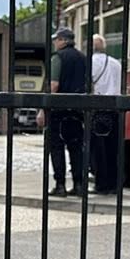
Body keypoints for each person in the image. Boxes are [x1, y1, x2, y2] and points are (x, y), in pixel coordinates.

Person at [44, 27, 89, 196]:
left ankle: (60, 184)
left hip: (59, 110)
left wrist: (44, 109)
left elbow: (54, 85)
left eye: (56, 39)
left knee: (56, 147)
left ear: (63, 40)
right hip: (77, 110)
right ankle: (79, 184)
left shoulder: (58, 58)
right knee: (76, 148)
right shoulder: (83, 58)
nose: (55, 43)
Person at [88, 33, 124, 195]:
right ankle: (115, 183)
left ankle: (101, 184)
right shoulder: (116, 63)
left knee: (98, 149)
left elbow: (87, 83)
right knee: (113, 148)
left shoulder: (90, 62)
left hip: (98, 108)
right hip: (115, 109)